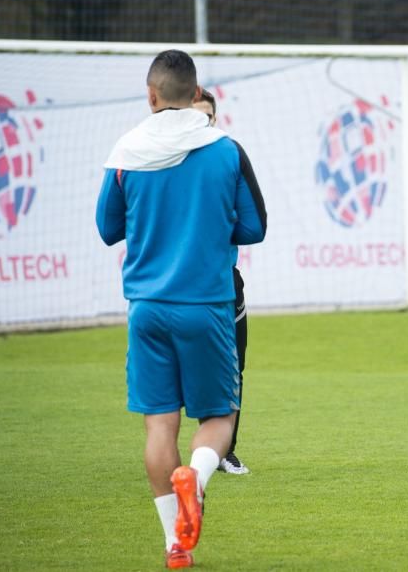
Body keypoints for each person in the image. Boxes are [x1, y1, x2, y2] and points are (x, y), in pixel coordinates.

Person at [96, 50, 267, 569]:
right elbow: (253, 227)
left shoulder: (126, 152)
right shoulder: (226, 150)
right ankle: (196, 475)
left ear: (151, 96)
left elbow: (108, 229)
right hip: (206, 305)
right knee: (219, 416)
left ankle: (177, 544)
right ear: (196, 95)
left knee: (158, 428)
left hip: (146, 308)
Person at [193, 88, 250, 476]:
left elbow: (253, 224)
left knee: (234, 370)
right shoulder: (163, 162)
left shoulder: (227, 158)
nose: (202, 124)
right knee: (187, 377)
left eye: (207, 117)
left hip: (225, 282)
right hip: (185, 288)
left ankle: (224, 451)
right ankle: (196, 457)